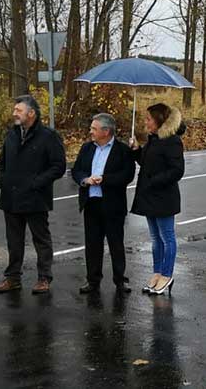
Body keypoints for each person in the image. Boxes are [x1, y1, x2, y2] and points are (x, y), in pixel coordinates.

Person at [0, 95, 67, 295]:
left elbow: (58, 167)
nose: (14, 113)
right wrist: (1, 178)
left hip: (36, 198)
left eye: (19, 110)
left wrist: (36, 183)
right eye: (15, 109)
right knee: (13, 241)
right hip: (11, 197)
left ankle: (44, 278)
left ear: (31, 113)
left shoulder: (49, 136)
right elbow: (2, 160)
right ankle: (12, 278)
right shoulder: (12, 134)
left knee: (41, 240)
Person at [71, 113, 136, 294]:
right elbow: (76, 170)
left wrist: (104, 179)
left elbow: (127, 175)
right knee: (92, 244)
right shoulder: (87, 148)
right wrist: (85, 180)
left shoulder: (122, 150)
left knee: (115, 243)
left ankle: (120, 280)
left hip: (112, 204)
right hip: (91, 202)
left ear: (106, 131)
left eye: (94, 128)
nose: (90, 131)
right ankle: (93, 281)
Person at [130, 103, 186, 295]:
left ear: (159, 120)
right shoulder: (153, 140)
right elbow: (146, 163)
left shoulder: (172, 141)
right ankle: (157, 273)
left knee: (167, 237)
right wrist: (137, 150)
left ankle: (167, 274)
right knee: (155, 238)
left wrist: (155, 181)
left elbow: (177, 170)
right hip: (149, 197)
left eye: (149, 119)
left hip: (163, 197)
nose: (145, 122)